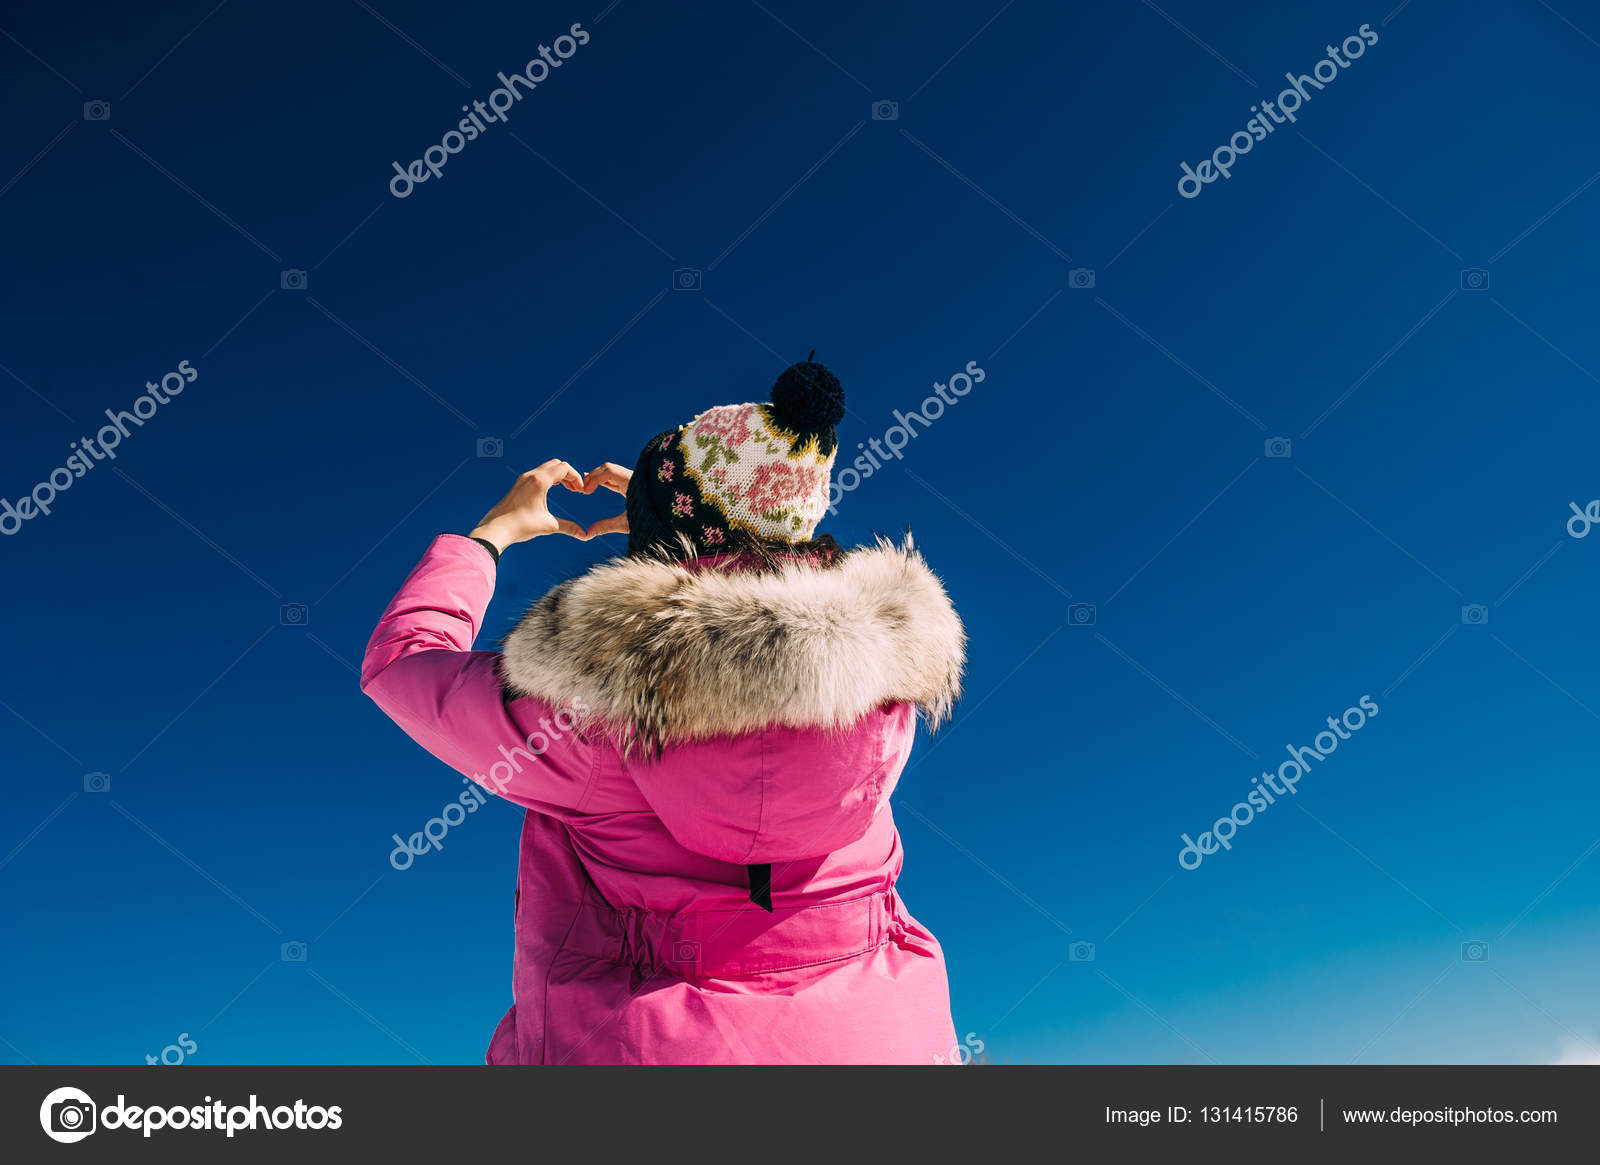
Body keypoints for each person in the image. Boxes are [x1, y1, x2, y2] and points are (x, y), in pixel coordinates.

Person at [361, 358, 967, 1063]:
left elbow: (401, 666)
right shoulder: (878, 691)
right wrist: (671, 518)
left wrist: (489, 534)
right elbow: (751, 571)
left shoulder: (596, 711)